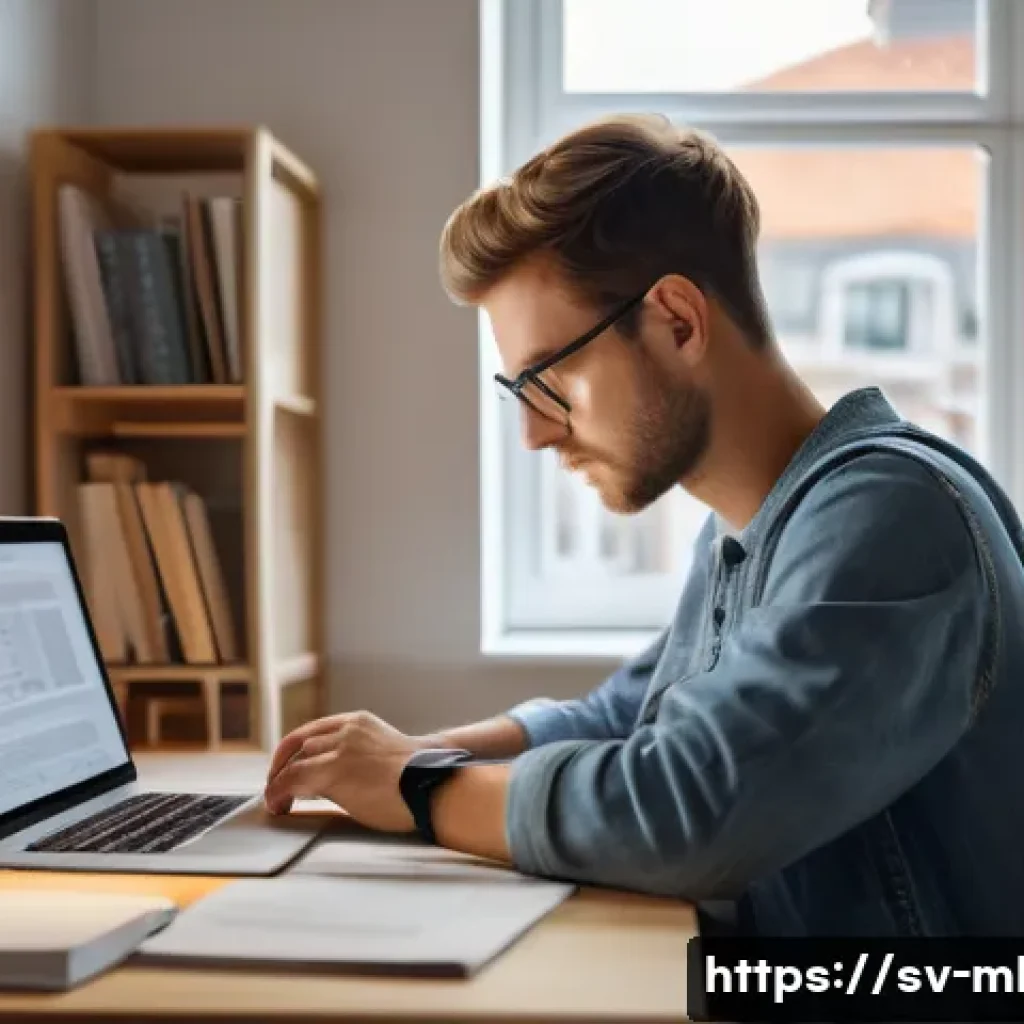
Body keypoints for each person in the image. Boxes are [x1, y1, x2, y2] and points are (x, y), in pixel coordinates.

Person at [263, 113, 1024, 937]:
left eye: (549, 381)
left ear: (676, 321)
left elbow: (692, 806)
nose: (534, 433)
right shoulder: (747, 531)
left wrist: (417, 789)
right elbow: (625, 719)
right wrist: (404, 758)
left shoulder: (891, 516)